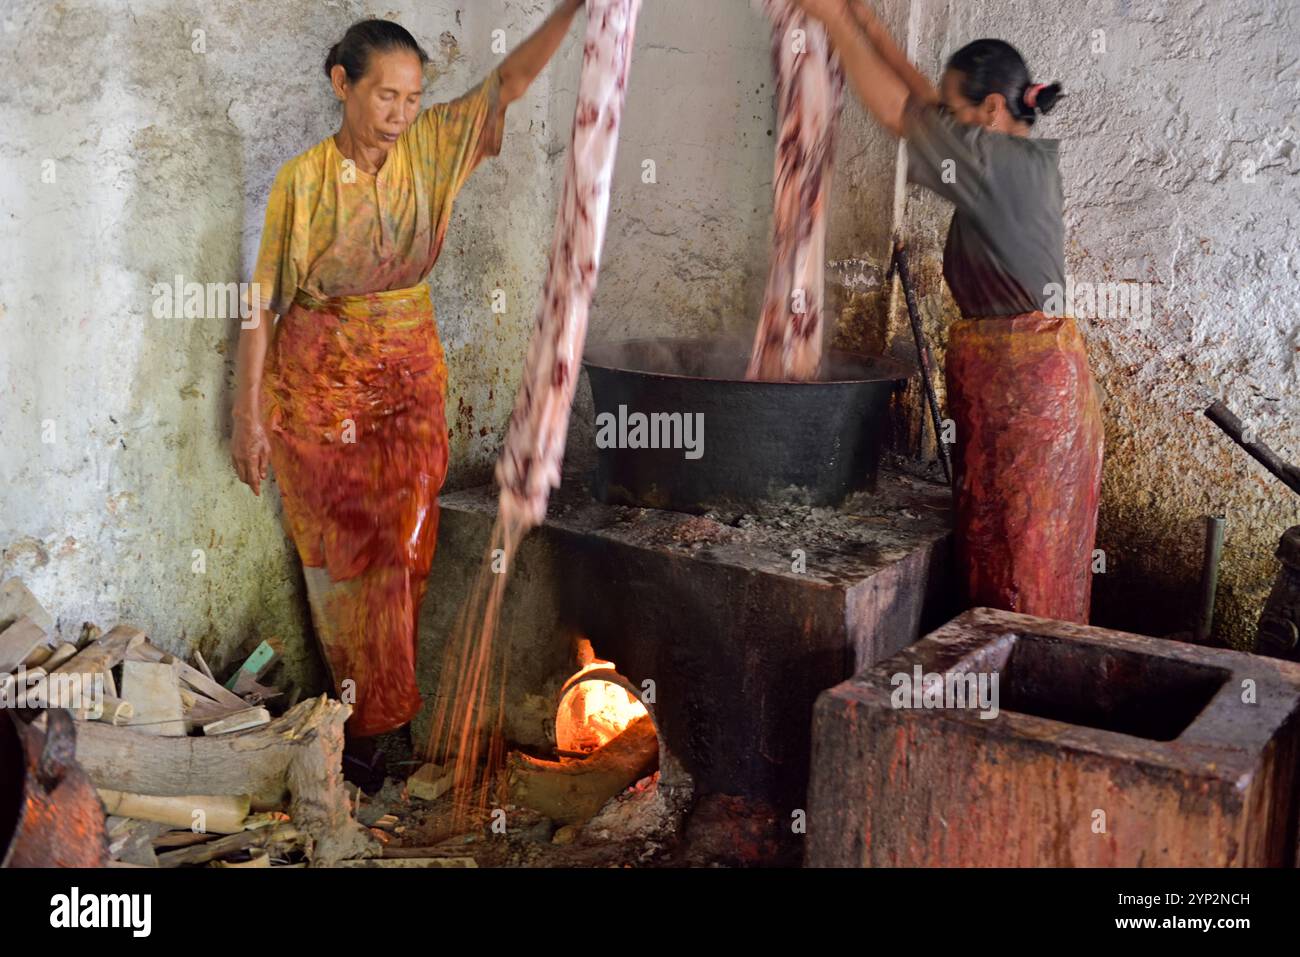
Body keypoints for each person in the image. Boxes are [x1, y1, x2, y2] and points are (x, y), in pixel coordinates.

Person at [230, 4, 585, 789]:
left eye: (413, 97)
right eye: (386, 96)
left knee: (409, 540)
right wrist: (245, 415)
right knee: (343, 558)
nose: (400, 114)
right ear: (342, 86)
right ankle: (362, 735)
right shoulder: (305, 183)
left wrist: (575, 10)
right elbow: (263, 306)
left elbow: (509, 83)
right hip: (320, 383)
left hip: (408, 368)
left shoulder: (433, 146)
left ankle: (377, 719)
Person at [794, 0, 1104, 623]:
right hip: (1029, 383)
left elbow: (899, 114)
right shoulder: (1014, 156)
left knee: (1021, 561)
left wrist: (831, 22)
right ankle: (1017, 673)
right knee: (1018, 547)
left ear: (990, 112)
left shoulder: (994, 163)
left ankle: (1019, 687)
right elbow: (928, 107)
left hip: (1027, 394)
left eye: (961, 112)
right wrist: (873, 29)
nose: (950, 124)